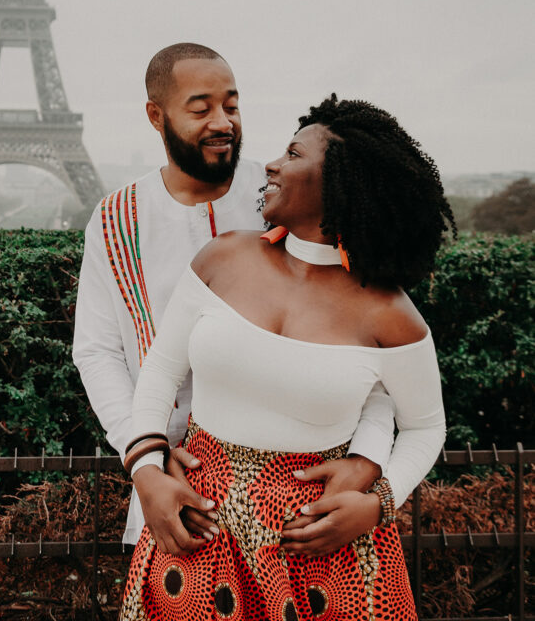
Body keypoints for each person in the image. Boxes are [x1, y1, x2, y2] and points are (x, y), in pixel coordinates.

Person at [120, 95, 456, 621]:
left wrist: (378, 505)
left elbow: (425, 426)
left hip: (319, 545)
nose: (272, 165)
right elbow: (161, 370)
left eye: (294, 154)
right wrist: (145, 469)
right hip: (199, 529)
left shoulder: (391, 314)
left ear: (342, 183)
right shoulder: (223, 257)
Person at [73, 48, 394, 545]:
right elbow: (98, 351)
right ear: (156, 115)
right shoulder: (115, 219)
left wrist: (367, 457)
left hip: (303, 494)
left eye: (232, 106)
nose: (223, 122)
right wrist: (145, 460)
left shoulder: (292, 196)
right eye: (201, 109)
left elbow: (371, 343)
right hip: (175, 496)